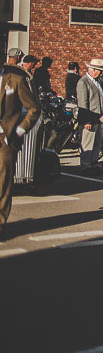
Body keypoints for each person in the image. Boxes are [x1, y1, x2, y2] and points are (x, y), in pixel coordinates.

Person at [0, 54, 40, 240]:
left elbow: (33, 108)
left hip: (5, 139)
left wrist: (18, 131)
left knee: (2, 183)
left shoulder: (15, 79)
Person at [77, 58, 103, 171]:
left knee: (96, 143)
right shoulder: (83, 82)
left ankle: (93, 163)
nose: (100, 73)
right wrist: (86, 121)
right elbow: (83, 103)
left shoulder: (99, 81)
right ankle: (85, 165)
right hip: (89, 118)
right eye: (99, 70)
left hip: (98, 118)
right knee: (87, 143)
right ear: (93, 69)